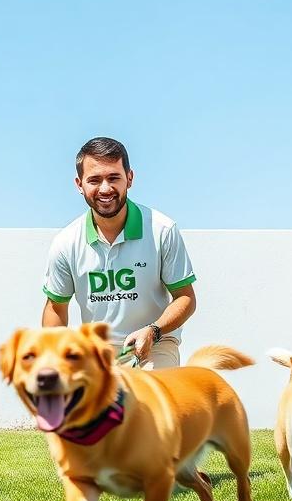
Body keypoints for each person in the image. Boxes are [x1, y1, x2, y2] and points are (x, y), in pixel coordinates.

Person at [41, 137, 197, 368]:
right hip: (97, 355)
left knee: (152, 401)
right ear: (79, 184)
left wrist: (154, 331)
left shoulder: (161, 229)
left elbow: (186, 298)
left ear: (129, 179)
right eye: (94, 180)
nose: (105, 188)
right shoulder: (66, 242)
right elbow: (56, 307)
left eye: (114, 177)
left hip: (155, 345)